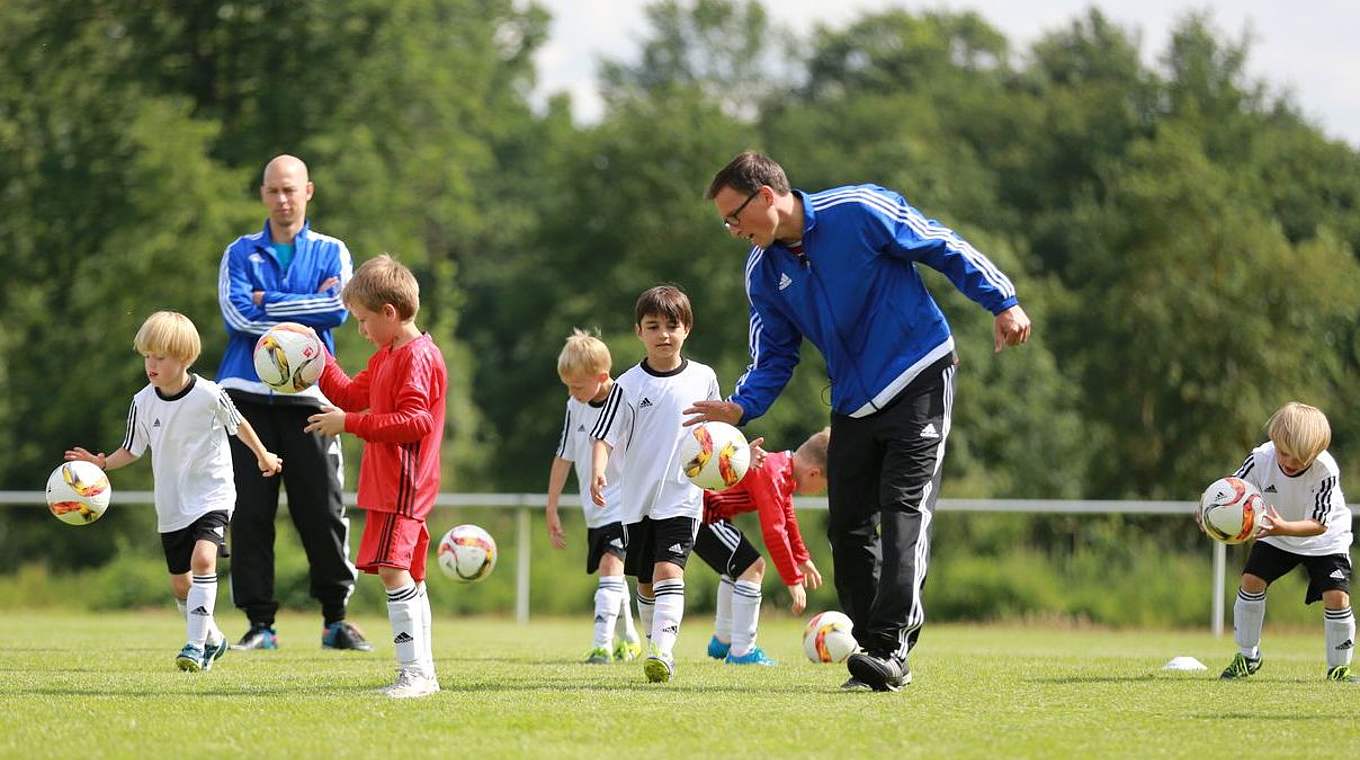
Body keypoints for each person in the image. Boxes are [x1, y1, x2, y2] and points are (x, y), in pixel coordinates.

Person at [688, 151, 1031, 692]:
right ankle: (872, 651)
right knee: (847, 529)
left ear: (766, 197)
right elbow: (774, 355)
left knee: (903, 514)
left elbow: (940, 243)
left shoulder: (859, 209)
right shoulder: (762, 271)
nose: (732, 230)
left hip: (919, 375)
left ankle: (891, 649)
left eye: (735, 216)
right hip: (851, 403)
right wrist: (741, 406)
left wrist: (1002, 300)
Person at [65, 311, 283, 672]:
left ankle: (195, 646)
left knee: (203, 561)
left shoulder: (210, 394)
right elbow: (131, 450)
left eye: (160, 357)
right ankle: (213, 638)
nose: (151, 364)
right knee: (181, 586)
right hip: (171, 504)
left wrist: (263, 455)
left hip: (212, 495)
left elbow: (239, 425)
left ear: (184, 358)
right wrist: (101, 463)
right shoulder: (142, 402)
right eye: (147, 355)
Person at [216, 154, 368, 652]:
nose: (283, 200)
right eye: (274, 191)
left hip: (311, 398)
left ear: (309, 192)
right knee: (251, 515)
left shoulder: (333, 251)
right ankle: (260, 625)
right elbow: (237, 314)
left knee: (321, 510)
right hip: (245, 399)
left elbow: (338, 309)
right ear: (263, 194)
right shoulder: (239, 252)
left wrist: (269, 304)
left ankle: (335, 620)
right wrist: (300, 310)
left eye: (291, 190)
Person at [303, 254, 449, 698]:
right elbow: (350, 392)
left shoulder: (417, 357)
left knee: (392, 570)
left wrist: (350, 423)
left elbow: (416, 420)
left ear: (390, 312)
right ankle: (424, 672)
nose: (361, 330)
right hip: (390, 482)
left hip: (405, 482)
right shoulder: (387, 354)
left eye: (363, 321)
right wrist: (314, 352)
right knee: (408, 575)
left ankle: (414, 675)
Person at [589, 285, 721, 683]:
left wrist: (740, 454)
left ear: (687, 329)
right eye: (653, 326)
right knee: (645, 580)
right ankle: (653, 643)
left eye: (672, 325)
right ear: (639, 332)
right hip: (636, 502)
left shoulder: (704, 378)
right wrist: (598, 469)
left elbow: (716, 432)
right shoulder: (627, 385)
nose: (663, 333)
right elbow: (604, 436)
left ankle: (663, 652)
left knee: (668, 569)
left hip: (682, 497)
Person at [1212, 402, 1356, 683]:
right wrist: (1210, 511)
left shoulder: (1326, 470)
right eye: (1284, 453)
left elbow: (1319, 524)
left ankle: (1339, 668)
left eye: (1300, 459)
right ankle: (1247, 655)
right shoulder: (1260, 458)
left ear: (1316, 454)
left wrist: (1283, 527)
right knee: (1251, 581)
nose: (1289, 462)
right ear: (1274, 441)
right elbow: (1232, 488)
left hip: (1325, 540)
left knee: (1337, 598)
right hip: (1276, 534)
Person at [546, 329, 644, 664]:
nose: (572, 393)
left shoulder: (625, 399)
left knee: (610, 564)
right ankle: (629, 638)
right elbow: (564, 454)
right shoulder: (575, 405)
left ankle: (601, 645)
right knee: (611, 574)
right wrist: (551, 506)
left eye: (577, 386)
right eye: (568, 387)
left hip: (625, 502)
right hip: (596, 508)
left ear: (601, 377)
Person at [699, 427, 828, 666]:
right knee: (753, 567)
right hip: (704, 516)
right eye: (824, 485)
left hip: (707, 514)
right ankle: (742, 652)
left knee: (738, 570)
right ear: (813, 473)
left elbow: (787, 515)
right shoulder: (773, 472)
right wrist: (793, 579)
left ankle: (723, 641)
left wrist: (802, 557)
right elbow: (774, 532)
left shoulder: (781, 468)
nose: (820, 491)